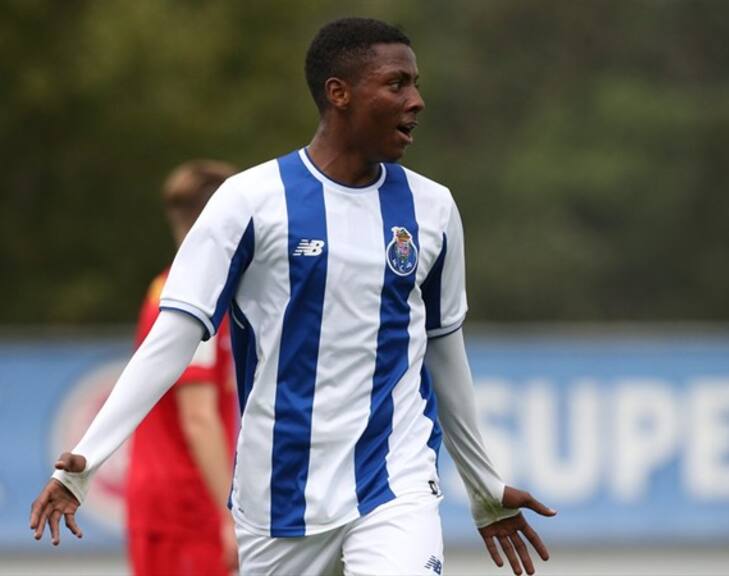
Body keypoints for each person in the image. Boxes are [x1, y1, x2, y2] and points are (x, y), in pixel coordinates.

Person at [30, 17, 556, 576]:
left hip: (393, 482)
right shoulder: (249, 201)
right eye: (397, 84)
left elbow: (444, 350)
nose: (417, 101)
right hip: (277, 498)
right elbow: (169, 341)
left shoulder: (433, 210)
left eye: (416, 83)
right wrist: (84, 464)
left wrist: (482, 485)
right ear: (340, 94)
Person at [127, 160, 239, 576]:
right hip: (187, 506)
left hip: (170, 500)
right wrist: (230, 515)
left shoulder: (168, 284)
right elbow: (197, 417)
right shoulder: (193, 298)